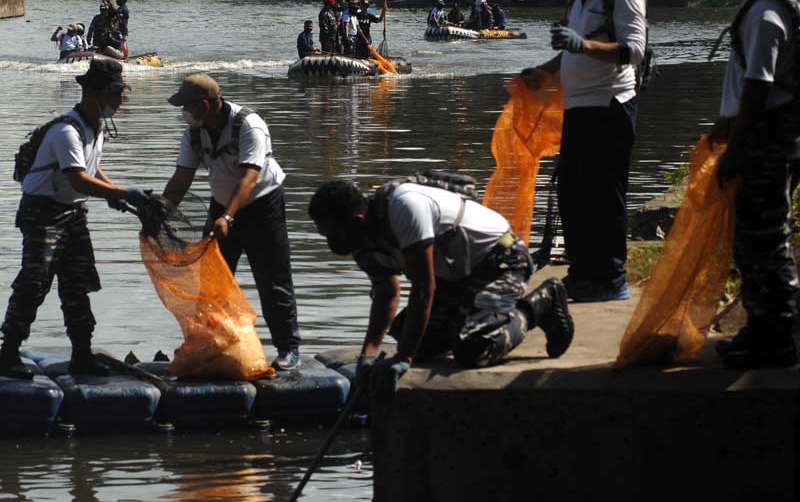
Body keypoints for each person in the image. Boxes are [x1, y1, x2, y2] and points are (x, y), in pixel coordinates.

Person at [308, 179, 575, 397]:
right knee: (411, 336)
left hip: (501, 259)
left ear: (357, 220)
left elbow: (425, 288)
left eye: (332, 234)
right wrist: (369, 354)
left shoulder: (404, 208)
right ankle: (468, 319)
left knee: (474, 350)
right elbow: (386, 292)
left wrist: (405, 357)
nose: (331, 244)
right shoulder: (360, 238)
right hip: (457, 276)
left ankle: (540, 304)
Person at [520, 0, 647, 302]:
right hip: (578, 108)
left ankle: (610, 277)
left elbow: (633, 51)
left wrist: (581, 45)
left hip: (609, 106)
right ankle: (583, 274)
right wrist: (543, 72)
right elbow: (572, 55)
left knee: (604, 197)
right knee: (573, 193)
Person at [0, 59, 153, 379]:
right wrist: (126, 192)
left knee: (77, 283)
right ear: (95, 93)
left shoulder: (94, 126)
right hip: (42, 211)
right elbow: (78, 180)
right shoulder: (66, 131)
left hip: (72, 212)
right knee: (34, 281)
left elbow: (93, 170)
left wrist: (113, 194)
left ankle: (81, 355)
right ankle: (8, 353)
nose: (121, 99)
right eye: (116, 92)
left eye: (122, 91)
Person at [704, 0, 800, 367]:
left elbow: (758, 89)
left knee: (766, 242)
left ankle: (779, 337)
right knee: (752, 241)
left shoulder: (766, 11)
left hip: (765, 139)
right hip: (765, 134)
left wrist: (735, 151)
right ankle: (761, 328)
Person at [162, 74, 302, 370]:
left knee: (272, 280)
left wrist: (228, 216)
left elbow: (250, 177)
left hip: (262, 205)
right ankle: (212, 344)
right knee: (211, 283)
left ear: (205, 104)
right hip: (222, 206)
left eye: (186, 106)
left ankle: (288, 349)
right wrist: (160, 212)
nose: (183, 113)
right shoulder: (193, 133)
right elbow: (180, 180)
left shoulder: (248, 124)